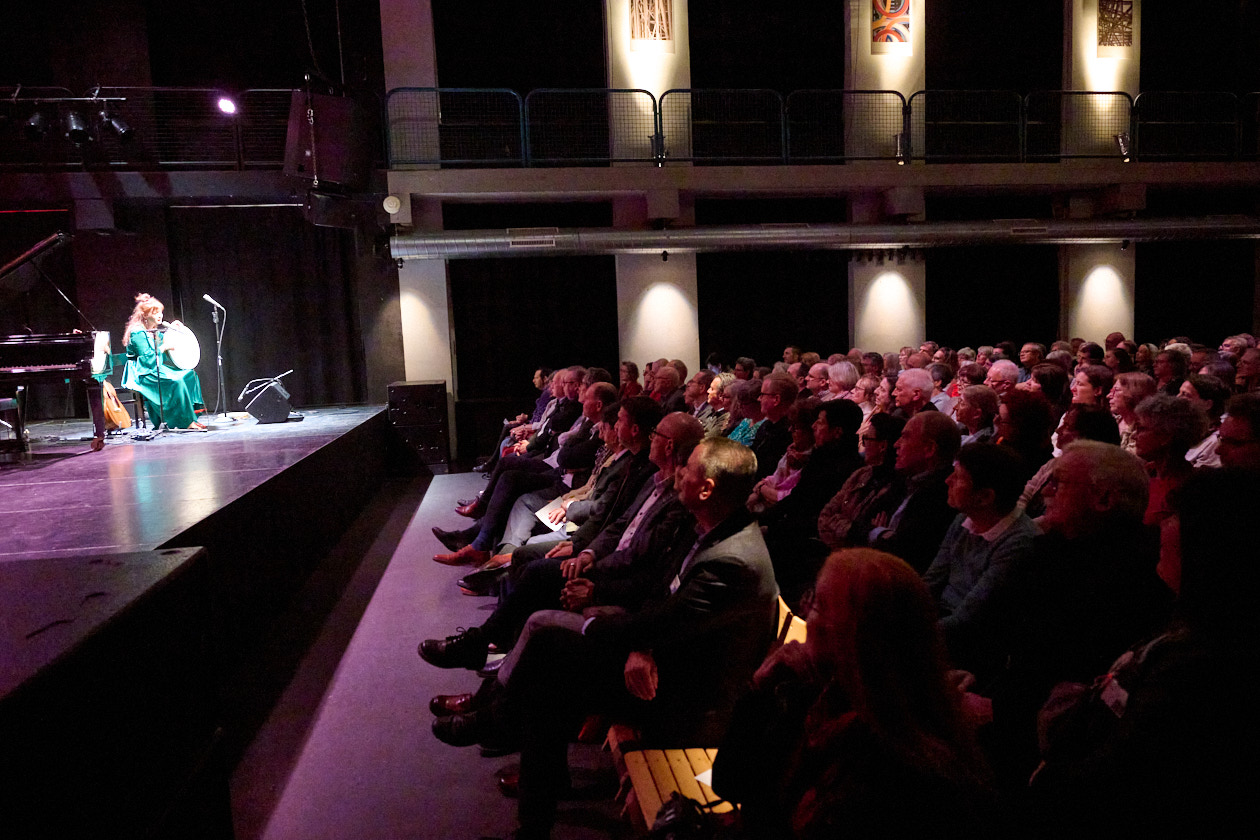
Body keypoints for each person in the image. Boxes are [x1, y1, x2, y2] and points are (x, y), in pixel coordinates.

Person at [1027, 468, 1260, 838]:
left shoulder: (1199, 662)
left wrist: (1048, 778)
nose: (1159, 524)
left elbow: (1120, 774)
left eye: (1173, 515)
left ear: (1213, 541)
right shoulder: (1188, 624)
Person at [713, 549, 997, 839]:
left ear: (854, 634)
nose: (806, 614)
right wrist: (759, 689)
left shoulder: (895, 771)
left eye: (818, 605)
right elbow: (729, 782)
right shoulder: (818, 694)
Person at [121, 293, 206, 430]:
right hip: (142, 372)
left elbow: (165, 339)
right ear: (145, 315)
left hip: (154, 368)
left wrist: (174, 327)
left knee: (190, 375)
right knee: (177, 381)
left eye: (160, 312)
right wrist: (164, 347)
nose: (160, 315)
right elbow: (148, 358)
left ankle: (190, 416)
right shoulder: (137, 332)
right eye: (155, 313)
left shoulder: (152, 331)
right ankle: (183, 421)